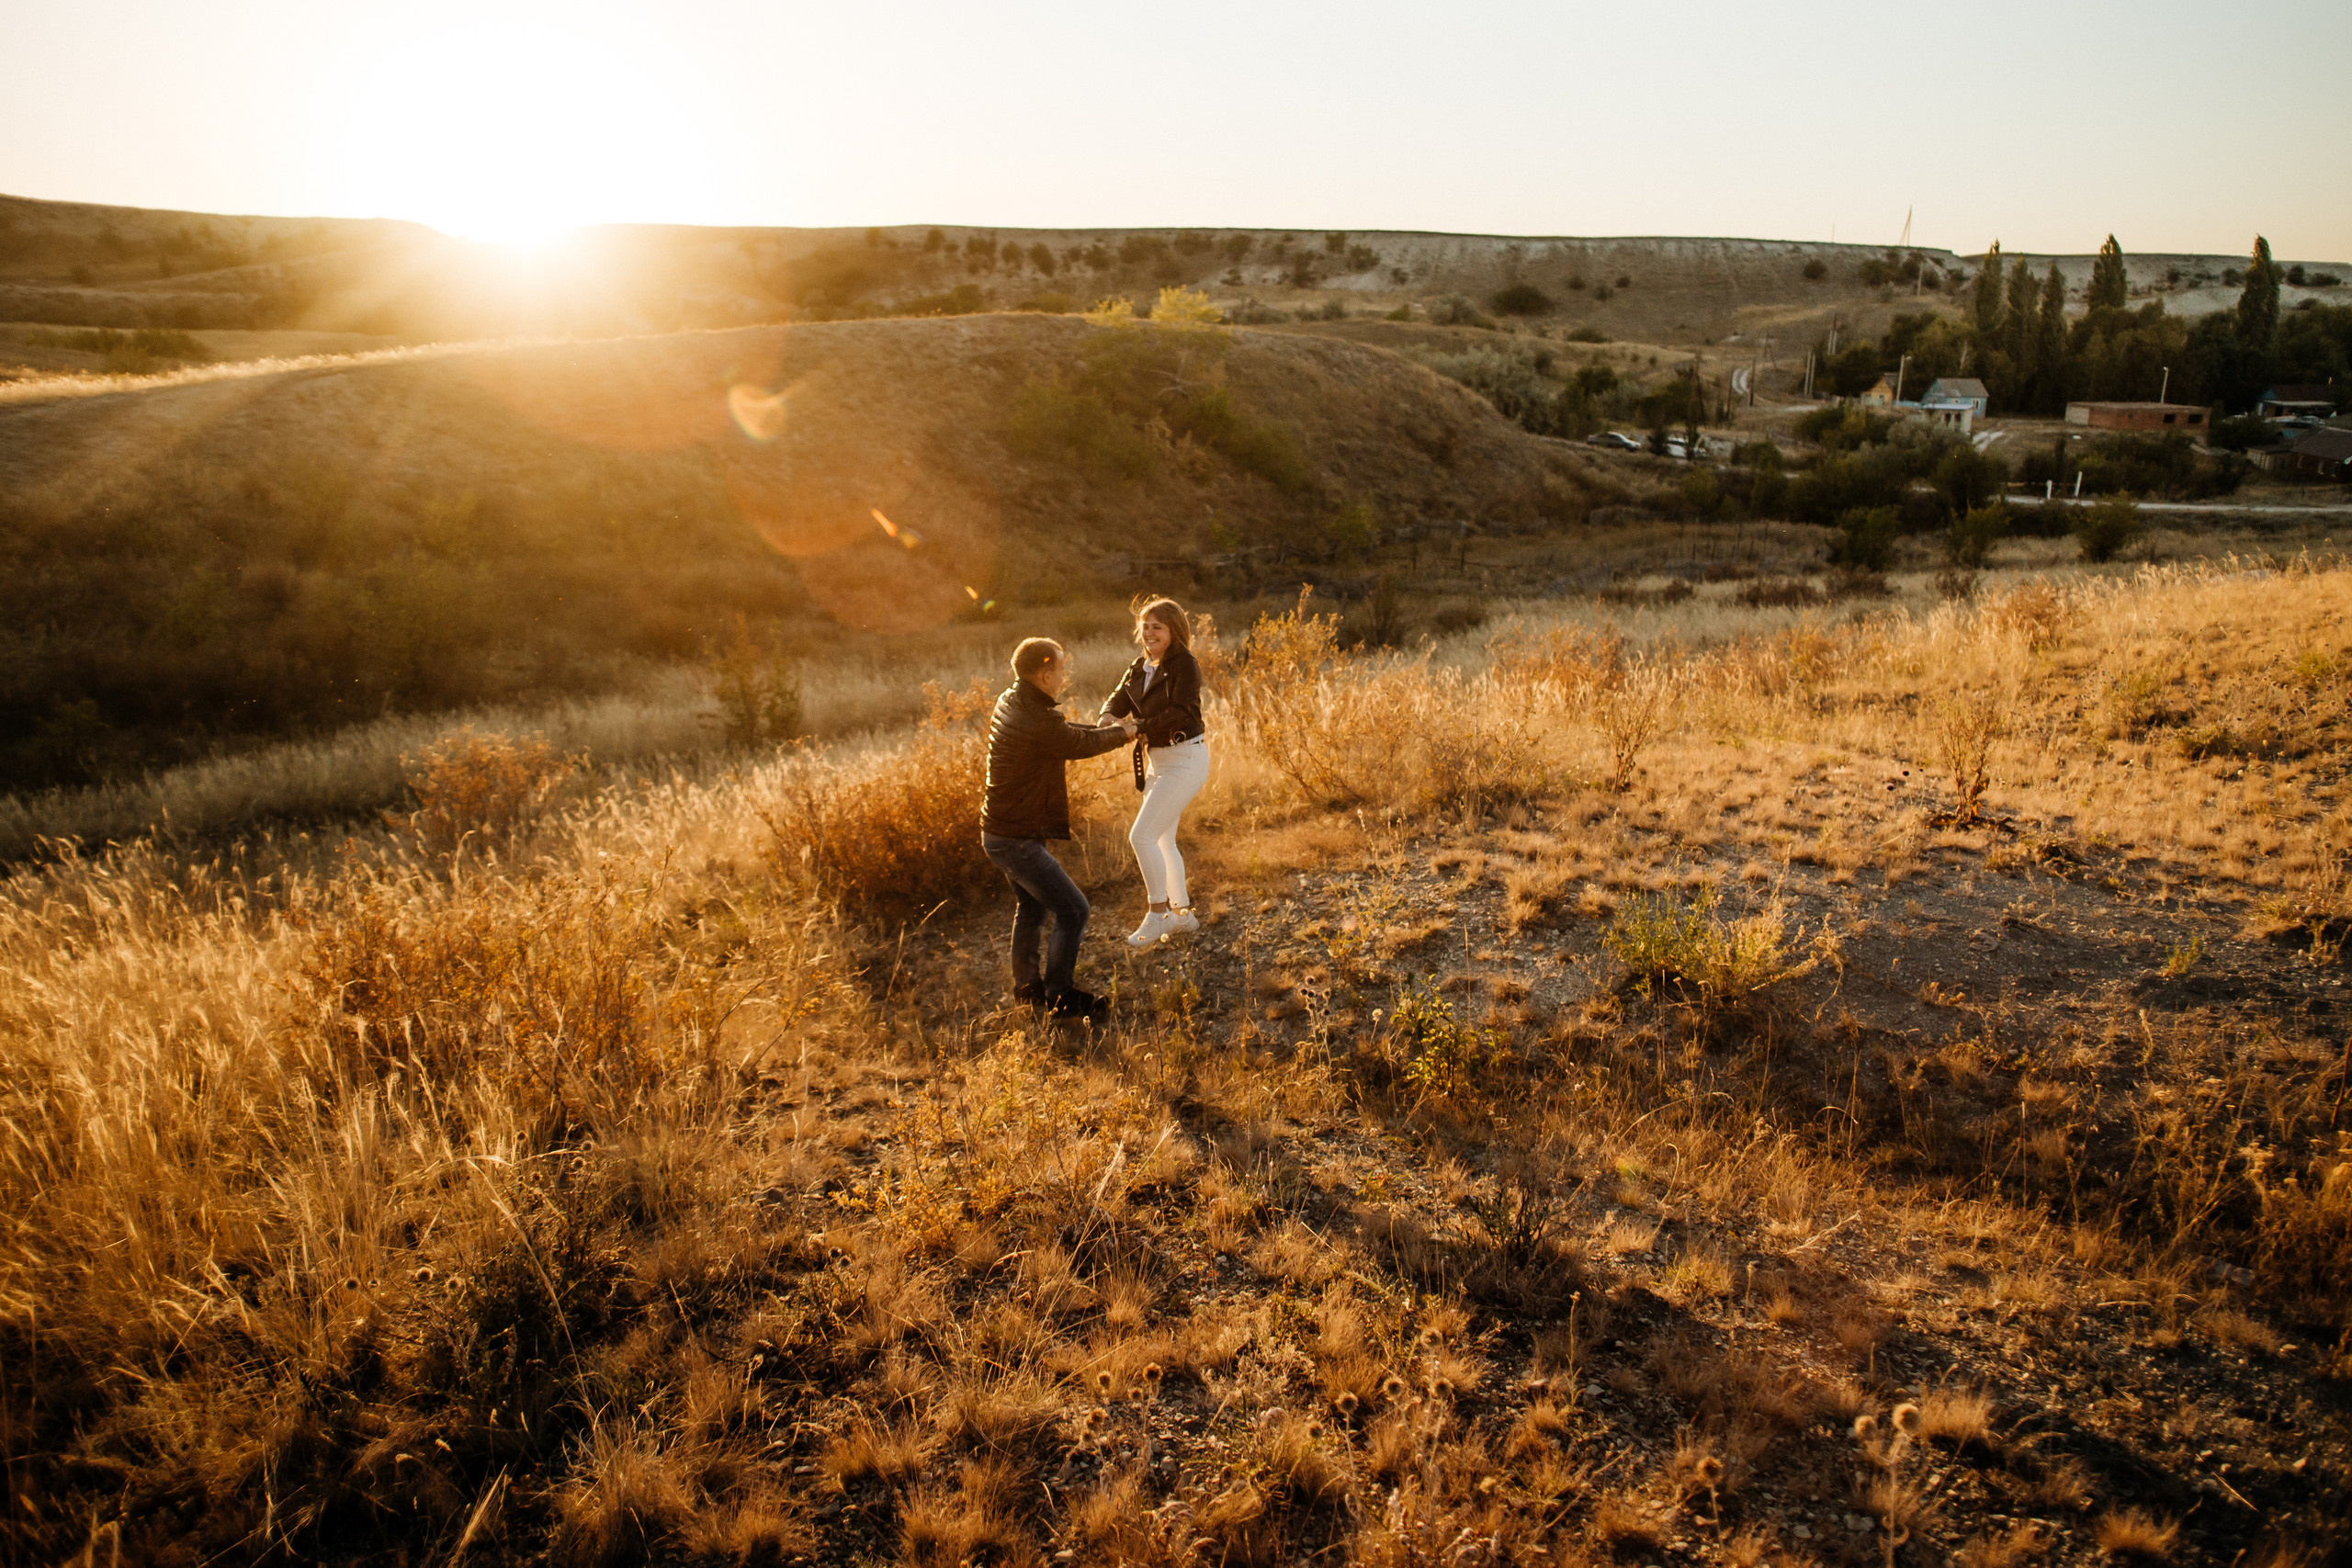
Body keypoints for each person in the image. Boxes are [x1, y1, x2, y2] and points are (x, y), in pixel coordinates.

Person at [982, 637, 1136, 1019]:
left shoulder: (1013, 699)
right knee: (1074, 911)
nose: (1064, 677)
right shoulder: (1038, 720)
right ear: (1046, 675)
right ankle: (1060, 996)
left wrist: (1111, 727)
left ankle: (1028, 989)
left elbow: (1064, 731)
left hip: (1000, 833)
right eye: (1062, 670)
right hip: (1017, 840)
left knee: (1030, 906)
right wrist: (1124, 734)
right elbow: (1074, 743)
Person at [1099, 597, 1210, 949]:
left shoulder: (1184, 665)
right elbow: (1117, 699)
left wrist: (1137, 727)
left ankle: (1157, 912)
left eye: (1157, 627)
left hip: (1186, 759)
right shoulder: (1140, 665)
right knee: (1162, 839)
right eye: (1145, 626)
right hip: (1159, 761)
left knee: (1141, 836)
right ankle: (1183, 917)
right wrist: (1107, 716)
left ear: (1173, 630)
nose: (1149, 633)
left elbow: (1180, 711)